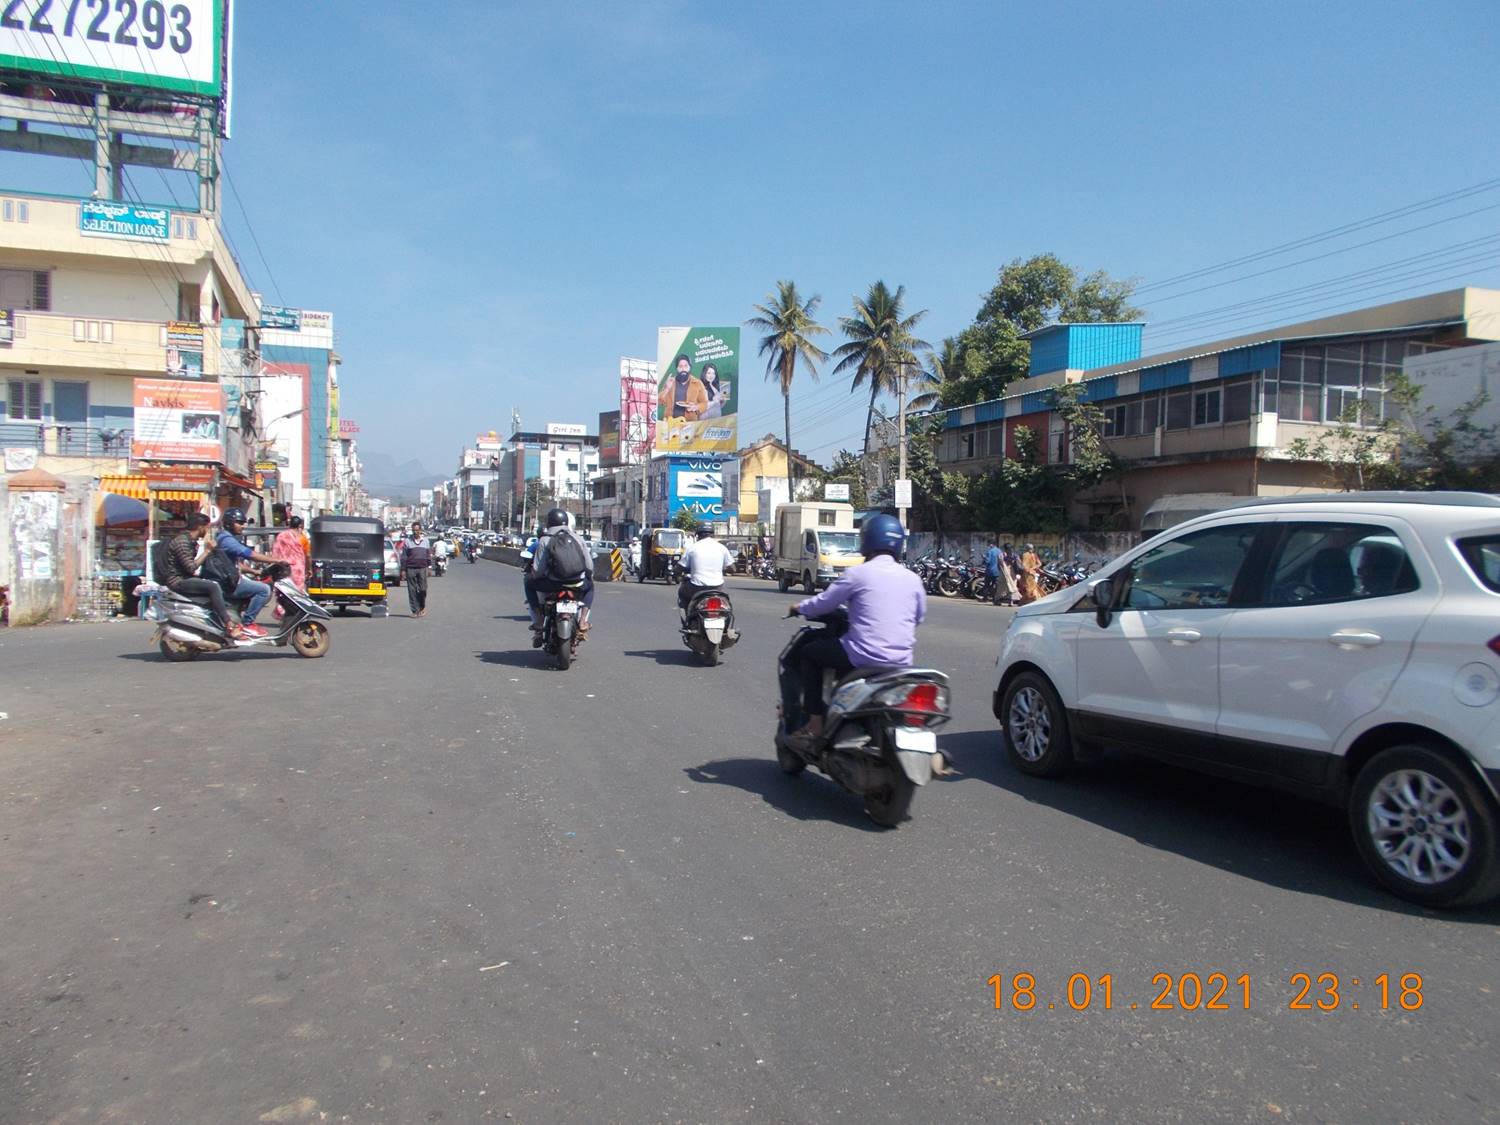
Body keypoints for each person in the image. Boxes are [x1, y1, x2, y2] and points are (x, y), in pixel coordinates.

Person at [785, 513, 926, 747]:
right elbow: (918, 617)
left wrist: (800, 607)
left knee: (809, 653)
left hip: (862, 657)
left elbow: (824, 603)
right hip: (901, 661)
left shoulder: (857, 574)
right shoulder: (913, 579)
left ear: (866, 541)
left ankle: (815, 724)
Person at [157, 512, 243, 638]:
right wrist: (207, 551)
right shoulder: (182, 542)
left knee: (216, 583)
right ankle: (228, 624)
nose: (208, 530)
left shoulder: (190, 540)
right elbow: (191, 567)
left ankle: (214, 623)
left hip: (184, 577)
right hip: (178, 581)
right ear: (200, 527)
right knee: (213, 587)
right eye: (207, 527)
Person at [525, 508, 594, 646]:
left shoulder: (545, 540)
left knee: (528, 583)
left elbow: (538, 571)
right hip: (576, 584)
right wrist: (586, 578)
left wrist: (532, 576)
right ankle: (582, 622)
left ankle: (538, 622)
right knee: (591, 586)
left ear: (549, 522)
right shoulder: (578, 538)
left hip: (553, 585)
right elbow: (589, 566)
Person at [216, 507, 278, 636]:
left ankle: (236, 618)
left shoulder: (226, 537)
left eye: (242, 523)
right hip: (226, 583)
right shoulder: (227, 540)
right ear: (228, 523)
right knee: (263, 590)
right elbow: (249, 554)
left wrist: (254, 571)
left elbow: (235, 564)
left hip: (229, 578)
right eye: (238, 523)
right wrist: (276, 561)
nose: (242, 526)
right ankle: (248, 623)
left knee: (255, 585)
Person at [677, 523, 734, 610]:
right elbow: (732, 568)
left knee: (682, 591)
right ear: (713, 534)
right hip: (717, 587)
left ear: (698, 535)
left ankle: (687, 614)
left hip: (696, 587)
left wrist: (676, 573)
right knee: (726, 605)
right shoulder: (722, 548)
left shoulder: (692, 548)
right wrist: (721, 569)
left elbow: (680, 567)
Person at [659, 353, 707, 420]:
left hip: (689, 423)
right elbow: (660, 401)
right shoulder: (671, 382)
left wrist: (696, 407)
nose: (683, 369)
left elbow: (704, 403)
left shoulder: (697, 383)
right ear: (677, 368)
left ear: (689, 367)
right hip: (670, 422)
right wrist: (667, 388)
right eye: (680, 366)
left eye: (686, 366)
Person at [401, 522, 433, 616]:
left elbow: (428, 555)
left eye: (417, 530)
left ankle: (422, 606)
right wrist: (403, 569)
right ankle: (415, 611)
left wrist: (429, 567)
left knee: (423, 589)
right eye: (414, 530)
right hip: (410, 568)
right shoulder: (407, 541)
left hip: (422, 568)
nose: (415, 532)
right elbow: (404, 556)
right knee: (412, 590)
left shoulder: (426, 541)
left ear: (420, 530)